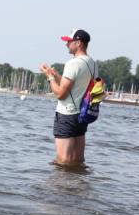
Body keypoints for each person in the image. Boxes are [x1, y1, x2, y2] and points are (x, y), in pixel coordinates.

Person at [40, 28, 98, 166]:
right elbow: (75, 85)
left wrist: (49, 78)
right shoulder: (92, 64)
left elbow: (61, 94)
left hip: (67, 115)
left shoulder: (73, 63)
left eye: (69, 41)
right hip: (82, 115)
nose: (66, 44)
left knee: (63, 161)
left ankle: (62, 187)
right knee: (78, 160)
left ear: (78, 43)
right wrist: (56, 75)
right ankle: (77, 186)